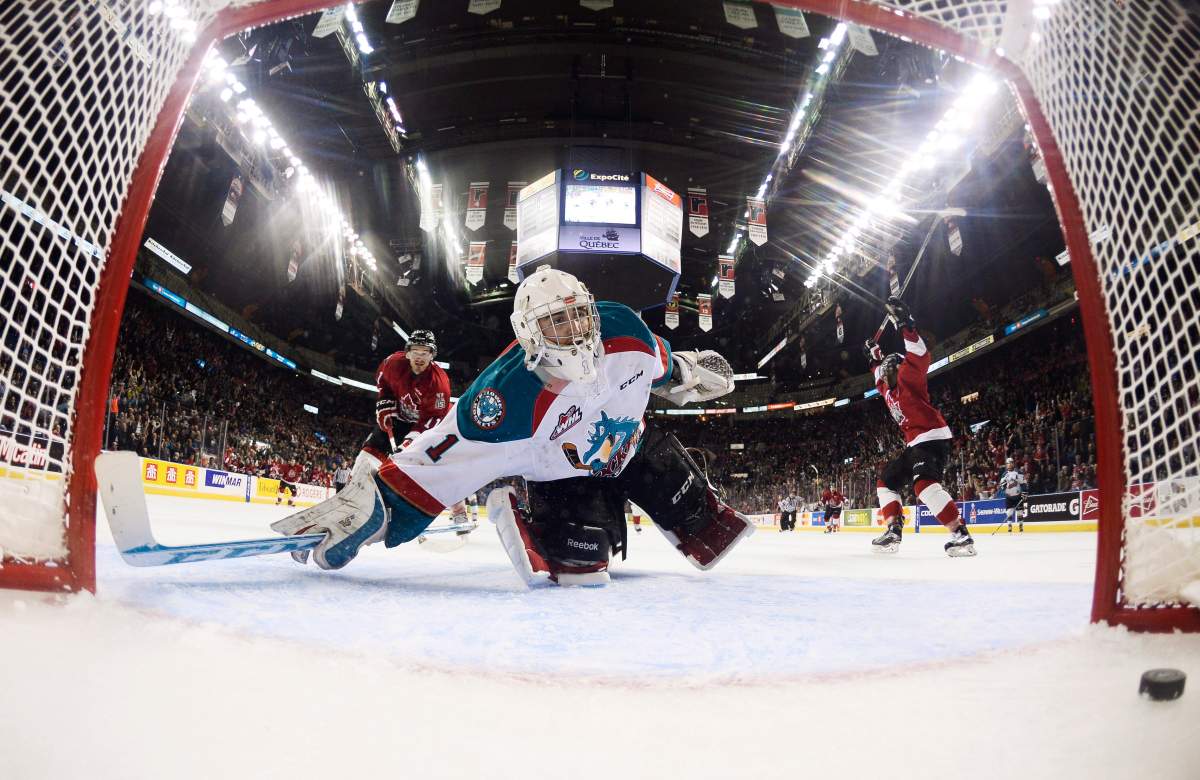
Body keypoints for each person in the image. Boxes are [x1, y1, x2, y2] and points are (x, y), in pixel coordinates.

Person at [273, 265, 754, 585]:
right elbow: (442, 454)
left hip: (633, 451)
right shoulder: (503, 399)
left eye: (578, 316)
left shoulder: (625, 330)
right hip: (567, 477)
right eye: (556, 323)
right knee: (581, 572)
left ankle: (676, 507)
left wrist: (690, 373)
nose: (575, 331)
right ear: (528, 334)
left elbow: (663, 364)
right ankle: (530, 515)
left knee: (712, 531)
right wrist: (377, 506)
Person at [864, 297, 976, 557]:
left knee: (923, 486)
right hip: (915, 444)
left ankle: (961, 536)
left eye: (891, 369)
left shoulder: (907, 378)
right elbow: (877, 373)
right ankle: (893, 531)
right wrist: (872, 357)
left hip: (932, 437)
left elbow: (919, 355)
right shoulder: (887, 390)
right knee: (886, 482)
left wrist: (906, 324)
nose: (888, 372)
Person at [360, 330, 471, 525]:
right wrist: (384, 403)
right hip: (400, 418)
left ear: (432, 355)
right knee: (367, 455)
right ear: (407, 352)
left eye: (425, 352)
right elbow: (382, 383)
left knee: (435, 463)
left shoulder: (439, 382)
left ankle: (457, 505)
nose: (420, 357)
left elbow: (432, 419)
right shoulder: (392, 363)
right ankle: (352, 495)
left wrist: (410, 442)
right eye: (416, 351)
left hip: (432, 427)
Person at [999, 456, 1026, 532]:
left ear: (1013, 464)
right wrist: (1003, 486)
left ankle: (1021, 525)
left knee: (1020, 512)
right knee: (1009, 512)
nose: (1010, 465)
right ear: (1006, 465)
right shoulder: (1004, 474)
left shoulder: (1018, 472)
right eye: (1008, 463)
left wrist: (1024, 492)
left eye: (1011, 463)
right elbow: (1001, 486)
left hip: (1018, 495)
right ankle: (1009, 526)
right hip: (1009, 496)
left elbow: (1023, 483)